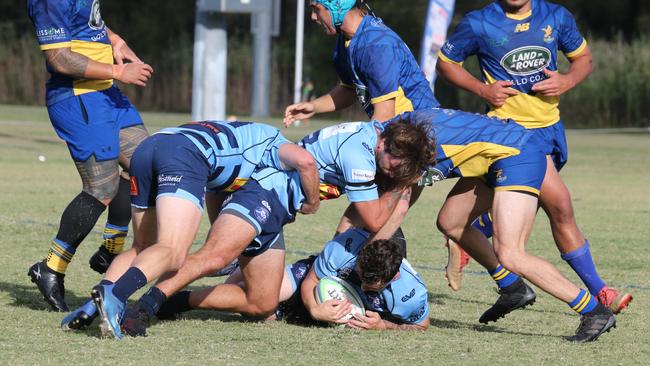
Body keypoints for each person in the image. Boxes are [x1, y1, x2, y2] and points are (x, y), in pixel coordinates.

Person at [436, 0, 632, 313]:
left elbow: (583, 59)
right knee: (559, 205)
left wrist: (567, 80)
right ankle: (599, 293)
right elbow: (445, 63)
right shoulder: (479, 23)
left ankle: (476, 236)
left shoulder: (555, 16)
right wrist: (482, 90)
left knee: (467, 217)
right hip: (507, 135)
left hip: (550, 131)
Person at [70, 121, 321, 339]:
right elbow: (305, 160)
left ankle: (91, 307)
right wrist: (311, 202)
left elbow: (216, 193)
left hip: (150, 148)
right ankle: (116, 295)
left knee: (142, 246)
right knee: (173, 251)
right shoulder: (275, 142)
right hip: (184, 156)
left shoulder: (243, 141)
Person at [404, 107, 615, 342]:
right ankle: (513, 287)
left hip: (517, 153)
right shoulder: (396, 131)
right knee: (450, 221)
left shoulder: (404, 140)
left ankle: (594, 312)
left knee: (511, 254)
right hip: (493, 153)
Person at [26, 0, 154, 312]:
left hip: (106, 93)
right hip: (76, 97)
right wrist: (119, 70)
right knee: (101, 188)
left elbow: (88, 23)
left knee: (148, 165)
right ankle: (51, 268)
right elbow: (59, 58)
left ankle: (110, 250)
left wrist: (115, 40)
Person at [155, 229, 429, 331]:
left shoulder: (412, 293)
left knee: (259, 317)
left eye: (373, 284)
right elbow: (311, 281)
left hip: (335, 309)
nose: (364, 283)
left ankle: (245, 271)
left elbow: (421, 326)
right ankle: (180, 299)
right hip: (312, 281)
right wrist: (314, 309)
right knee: (255, 301)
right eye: (360, 274)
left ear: (393, 277)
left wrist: (384, 326)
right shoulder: (344, 247)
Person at [284, 0, 438, 125]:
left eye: (316, 8)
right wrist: (314, 107)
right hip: (396, 132)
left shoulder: (376, 44)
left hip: (422, 132)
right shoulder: (345, 41)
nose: (313, 17)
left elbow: (384, 114)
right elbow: (350, 89)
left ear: (336, 5)